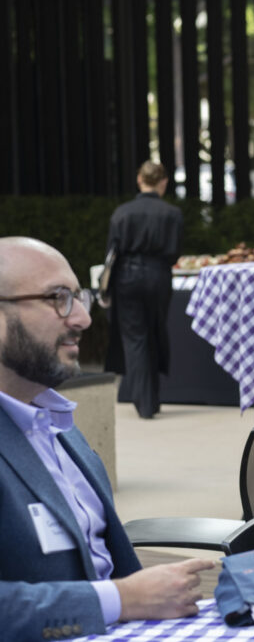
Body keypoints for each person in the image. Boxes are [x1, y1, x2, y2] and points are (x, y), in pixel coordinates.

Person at [0, 237, 214, 640]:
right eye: (57, 298)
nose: (82, 317)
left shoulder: (57, 425)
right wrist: (121, 599)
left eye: (79, 297)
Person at [105, 161, 183, 419]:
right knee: (154, 332)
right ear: (163, 182)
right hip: (159, 276)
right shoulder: (172, 214)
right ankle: (151, 399)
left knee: (135, 338)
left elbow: (112, 253)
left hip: (127, 276)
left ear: (140, 180)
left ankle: (144, 401)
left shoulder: (122, 213)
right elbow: (174, 253)